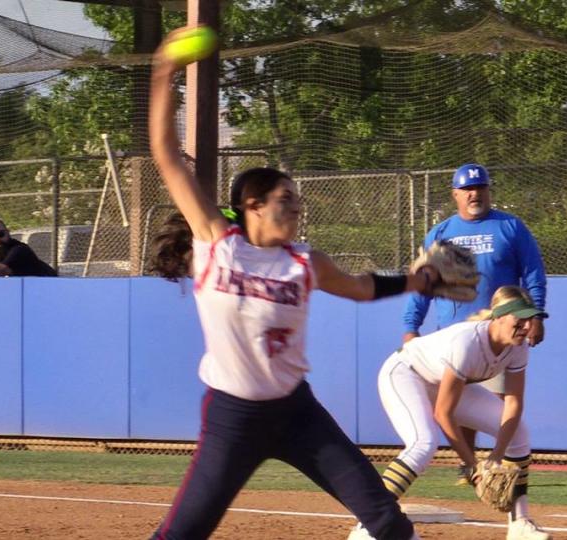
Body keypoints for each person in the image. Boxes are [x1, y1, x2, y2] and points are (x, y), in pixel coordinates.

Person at [147, 27, 432, 540]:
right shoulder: (217, 242)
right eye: (285, 199)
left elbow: (360, 288)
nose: (296, 207)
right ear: (253, 205)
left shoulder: (305, 262)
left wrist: (417, 280)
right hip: (232, 419)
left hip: (298, 414)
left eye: (297, 200)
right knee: (180, 536)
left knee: (389, 521)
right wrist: (165, 72)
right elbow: (167, 155)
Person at [402, 163, 547, 483]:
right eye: (467, 189)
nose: (474, 194)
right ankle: (469, 467)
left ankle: (504, 464)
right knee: (456, 406)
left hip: (500, 335)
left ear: (488, 191)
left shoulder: (510, 227)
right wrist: (412, 326)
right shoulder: (440, 233)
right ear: (455, 194)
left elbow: (534, 273)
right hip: (454, 337)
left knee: (498, 406)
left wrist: (535, 313)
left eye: (480, 188)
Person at [372, 286, 549, 540]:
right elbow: (444, 413)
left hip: (439, 382)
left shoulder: (517, 346)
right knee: (424, 443)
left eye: (529, 318)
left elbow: (513, 404)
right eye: (519, 318)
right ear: (498, 316)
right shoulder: (467, 342)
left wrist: (496, 458)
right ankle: (370, 523)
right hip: (404, 374)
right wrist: (473, 467)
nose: (525, 326)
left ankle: (520, 524)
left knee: (519, 432)